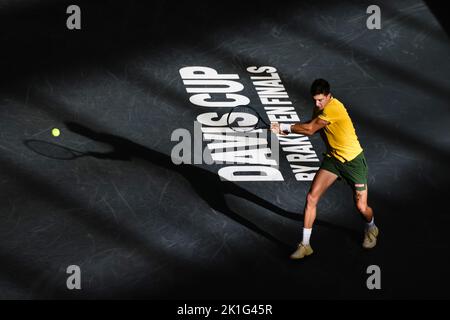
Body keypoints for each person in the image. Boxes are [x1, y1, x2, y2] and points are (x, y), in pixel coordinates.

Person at [271, 79, 378, 259]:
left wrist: (285, 126)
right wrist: (289, 131)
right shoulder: (320, 109)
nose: (317, 103)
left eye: (320, 100)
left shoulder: (334, 108)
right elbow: (312, 125)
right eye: (315, 100)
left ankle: (371, 227)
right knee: (311, 197)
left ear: (329, 96)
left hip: (353, 162)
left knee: (361, 207)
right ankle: (305, 245)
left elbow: (311, 129)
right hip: (333, 160)